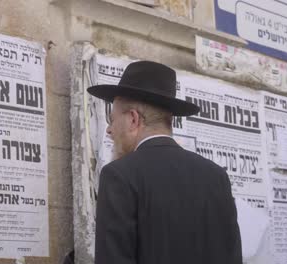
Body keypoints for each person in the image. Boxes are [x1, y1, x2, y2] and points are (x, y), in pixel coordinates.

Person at [87, 60, 242, 264]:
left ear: (133, 119)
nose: (109, 129)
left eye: (112, 120)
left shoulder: (119, 175)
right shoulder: (216, 176)